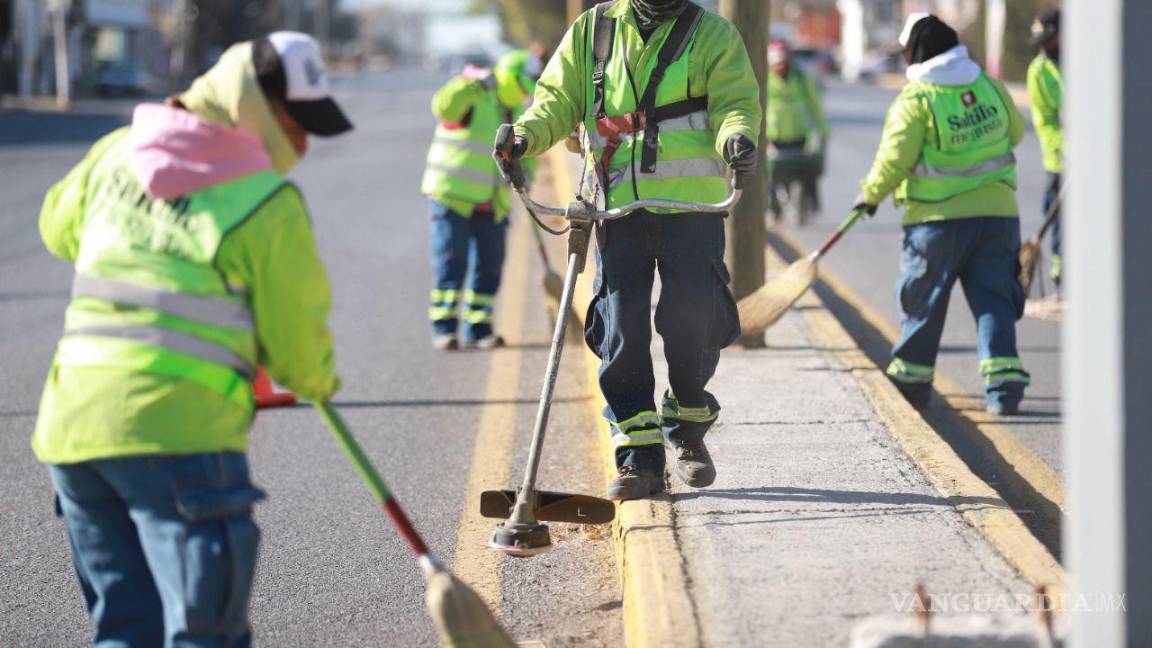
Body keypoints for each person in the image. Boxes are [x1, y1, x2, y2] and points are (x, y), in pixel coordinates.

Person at [34, 32, 348, 646]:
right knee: (204, 636)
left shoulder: (115, 152)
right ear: (251, 107)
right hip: (180, 439)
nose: (303, 144)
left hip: (74, 435)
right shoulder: (265, 201)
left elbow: (57, 229)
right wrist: (317, 383)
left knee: (126, 630)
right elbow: (297, 350)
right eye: (294, 122)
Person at [498, 0, 761, 500]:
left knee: (695, 321)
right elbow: (557, 100)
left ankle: (685, 423)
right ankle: (638, 456)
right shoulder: (594, 31)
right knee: (620, 329)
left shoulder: (713, 36)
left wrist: (737, 138)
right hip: (616, 205)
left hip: (692, 208)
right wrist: (525, 137)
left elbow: (736, 103)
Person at [853, 14, 1030, 415]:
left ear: (914, 52)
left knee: (923, 303)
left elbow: (893, 160)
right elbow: (1015, 132)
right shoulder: (987, 84)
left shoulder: (916, 100)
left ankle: (912, 385)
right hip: (998, 217)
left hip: (936, 223)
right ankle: (1003, 388)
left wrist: (869, 195)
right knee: (995, 301)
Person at [420, 49, 542, 351]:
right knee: (452, 261)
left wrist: (525, 177)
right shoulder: (476, 94)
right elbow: (443, 108)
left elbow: (529, 156)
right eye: (526, 83)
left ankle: (479, 328)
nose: (527, 91)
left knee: (491, 264)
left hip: (493, 201)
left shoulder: (519, 113)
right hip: (453, 195)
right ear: (512, 78)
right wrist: (472, 84)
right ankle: (445, 328)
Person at [766, 38, 829, 221]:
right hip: (774, 138)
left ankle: (805, 206)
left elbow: (815, 106)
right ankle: (774, 208)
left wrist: (823, 132)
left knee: (804, 174)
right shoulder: (765, 79)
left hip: (799, 136)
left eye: (783, 63)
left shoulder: (801, 79)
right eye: (777, 64)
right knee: (772, 176)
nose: (781, 67)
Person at [1027, 8, 1063, 289]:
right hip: (1060, 160)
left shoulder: (1087, 58)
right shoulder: (1039, 71)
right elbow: (1044, 121)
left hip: (1098, 157)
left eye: (1048, 40)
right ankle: (1060, 270)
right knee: (1058, 215)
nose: (1043, 46)